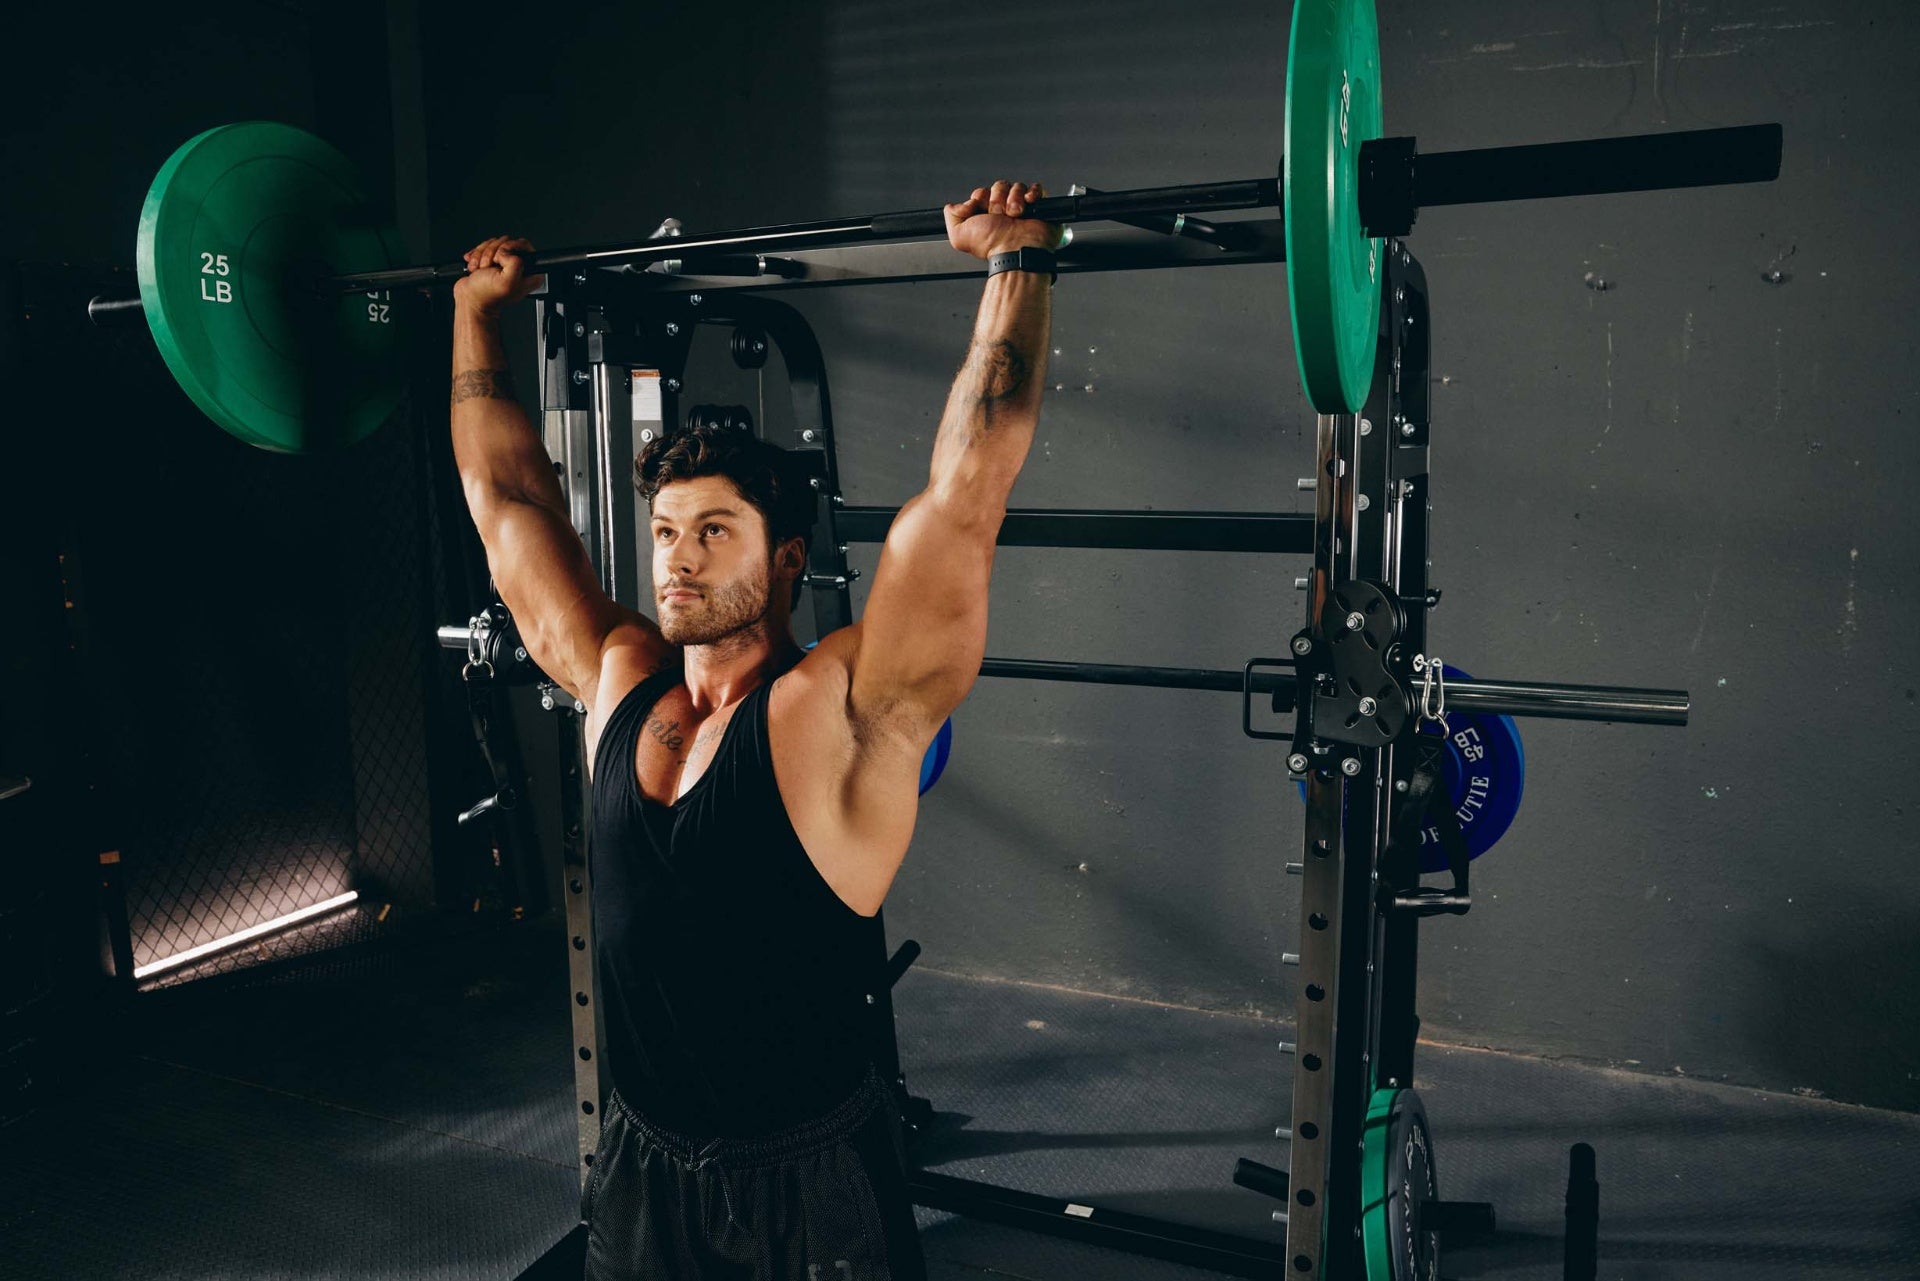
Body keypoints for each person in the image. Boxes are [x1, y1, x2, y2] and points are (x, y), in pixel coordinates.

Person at [449, 180, 1059, 1280]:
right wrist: (475, 314)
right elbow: (510, 503)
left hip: (809, 1183)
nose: (678, 559)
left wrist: (1016, 262)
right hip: (640, 1161)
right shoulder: (622, 677)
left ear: (785, 560)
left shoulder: (842, 708)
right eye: (668, 530)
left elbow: (967, 494)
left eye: (715, 531)